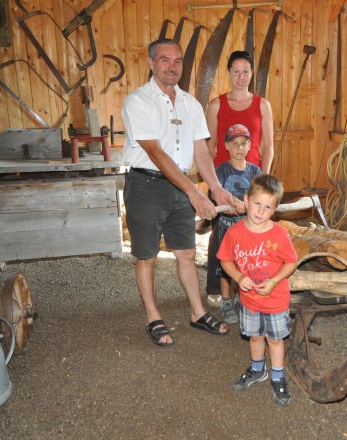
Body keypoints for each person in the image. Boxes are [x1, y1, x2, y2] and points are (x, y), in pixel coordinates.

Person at [121, 38, 236, 347]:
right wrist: (193, 193)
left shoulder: (190, 104)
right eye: (165, 60)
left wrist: (215, 188)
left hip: (180, 186)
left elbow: (200, 150)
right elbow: (156, 153)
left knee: (185, 253)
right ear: (151, 63)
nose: (172, 66)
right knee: (147, 257)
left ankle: (197, 313)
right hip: (146, 185)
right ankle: (153, 316)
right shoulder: (138, 101)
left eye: (178, 61)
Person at [217, 174, 298, 406]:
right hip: (250, 300)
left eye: (268, 207)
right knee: (254, 337)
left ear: (275, 210)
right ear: (246, 199)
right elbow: (225, 260)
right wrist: (239, 276)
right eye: (257, 204)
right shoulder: (235, 232)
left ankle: (277, 376)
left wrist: (274, 281)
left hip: (275, 301)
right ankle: (257, 369)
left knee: (275, 339)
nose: (261, 211)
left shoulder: (279, 235)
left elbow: (291, 262)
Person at [205, 51, 275, 304]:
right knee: (221, 236)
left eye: (246, 71)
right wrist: (213, 185)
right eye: (236, 71)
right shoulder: (216, 105)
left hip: (251, 180)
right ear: (229, 73)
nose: (241, 76)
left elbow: (268, 146)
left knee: (252, 236)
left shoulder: (262, 105)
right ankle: (216, 287)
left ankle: (250, 288)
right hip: (223, 181)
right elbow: (210, 145)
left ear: (251, 74)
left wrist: (263, 182)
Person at [211, 124, 262, 324]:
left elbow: (259, 194)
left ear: (249, 146)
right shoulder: (221, 170)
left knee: (247, 263)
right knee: (226, 265)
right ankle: (226, 301)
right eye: (235, 144)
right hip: (226, 226)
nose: (239, 148)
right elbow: (217, 195)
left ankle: (242, 298)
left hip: (247, 227)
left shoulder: (255, 170)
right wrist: (232, 203)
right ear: (227, 146)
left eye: (243, 143)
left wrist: (251, 205)